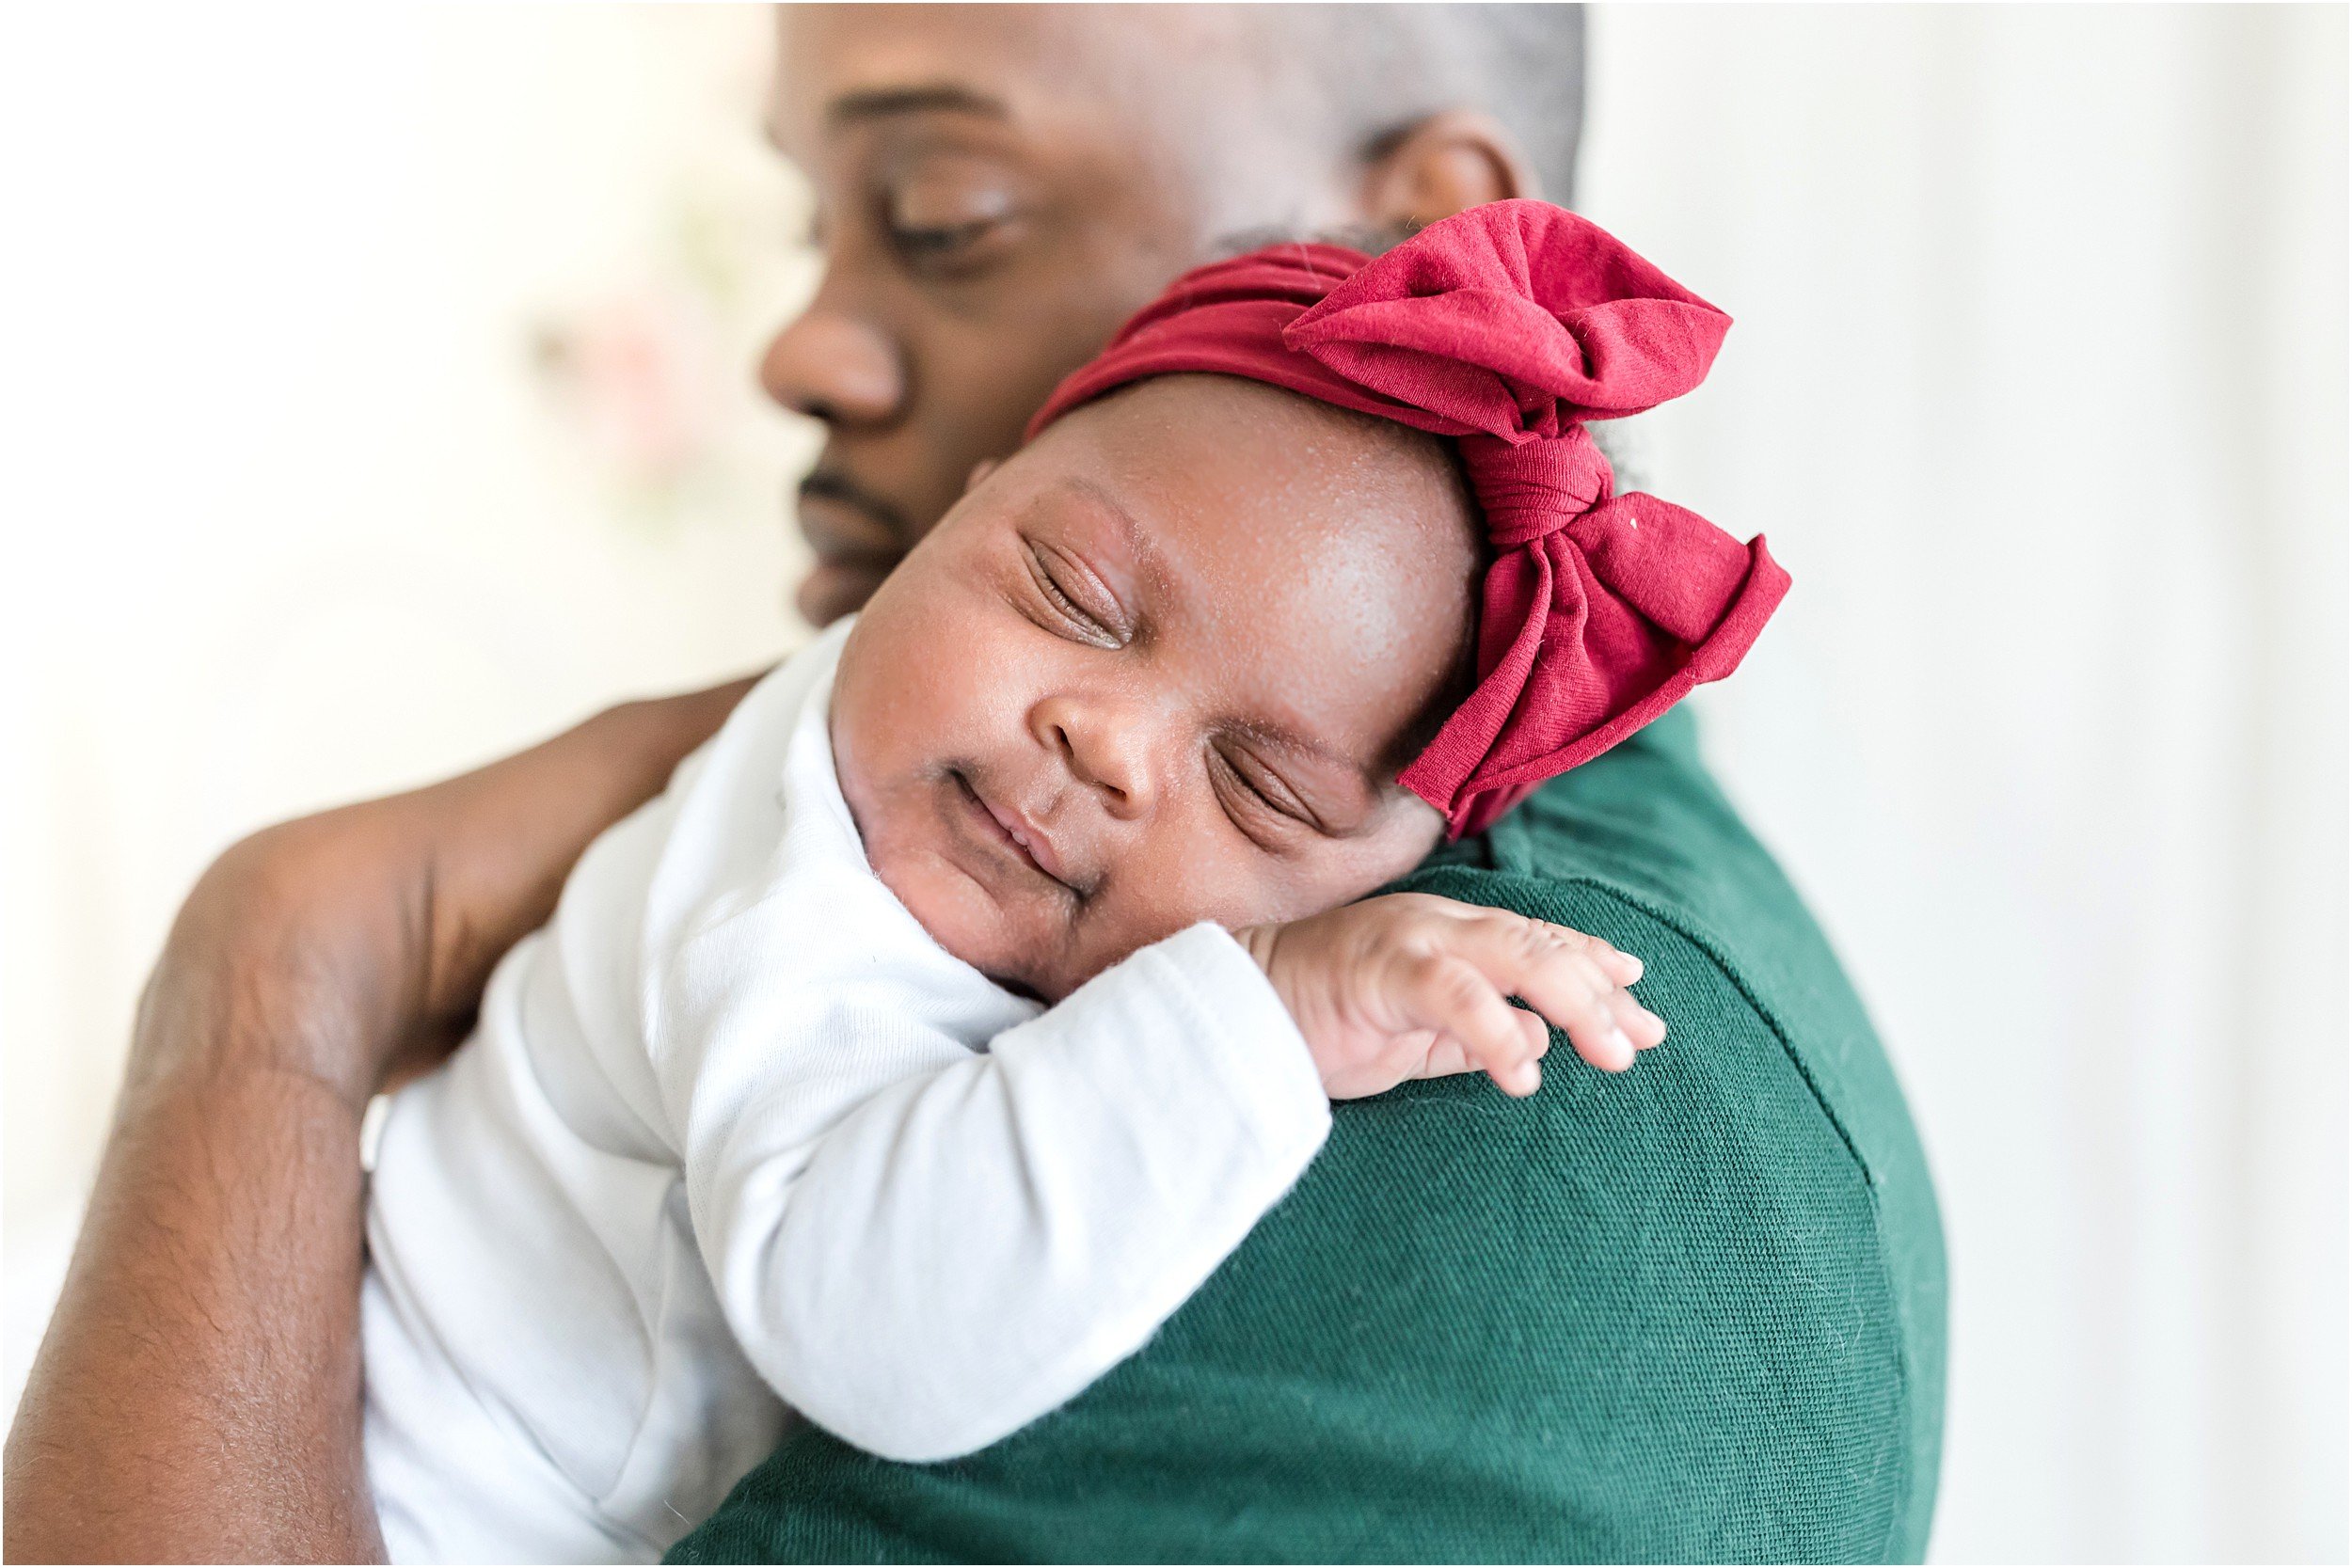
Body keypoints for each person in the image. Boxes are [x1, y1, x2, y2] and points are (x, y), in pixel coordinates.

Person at [5, 8, 1945, 1562]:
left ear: (1396, 228)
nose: (799, 344)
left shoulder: (1542, 1085)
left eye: (943, 210)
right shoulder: (842, 844)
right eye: (1072, 594)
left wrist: (274, 967)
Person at [362, 203, 1764, 1561]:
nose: (1105, 744)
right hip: (398, 1486)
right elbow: (862, 1321)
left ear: (1393, 876)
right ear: (968, 506)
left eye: (1259, 788)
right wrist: (1264, 1010)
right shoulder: (795, 883)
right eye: (1070, 597)